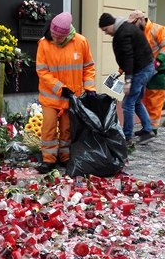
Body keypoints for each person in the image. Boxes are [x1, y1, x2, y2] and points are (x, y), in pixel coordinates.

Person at [36, 12, 96, 173]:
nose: (55, 39)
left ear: (67, 34)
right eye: (53, 35)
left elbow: (88, 67)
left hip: (71, 98)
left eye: (58, 37)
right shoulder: (44, 43)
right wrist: (60, 88)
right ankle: (48, 160)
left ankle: (65, 158)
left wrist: (90, 89)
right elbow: (42, 71)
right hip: (51, 97)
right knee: (48, 128)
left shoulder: (81, 42)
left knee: (66, 130)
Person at [98, 12, 155, 144]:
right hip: (145, 67)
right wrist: (121, 71)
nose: (106, 33)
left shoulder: (123, 33)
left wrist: (128, 80)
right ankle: (148, 130)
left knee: (127, 103)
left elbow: (129, 57)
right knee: (136, 101)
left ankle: (126, 136)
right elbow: (128, 55)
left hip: (141, 70)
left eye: (106, 30)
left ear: (111, 25)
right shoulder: (124, 29)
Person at [128, 10, 165, 135]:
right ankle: (146, 127)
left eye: (134, 23)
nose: (132, 26)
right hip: (144, 70)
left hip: (158, 70)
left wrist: (157, 62)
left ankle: (152, 129)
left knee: (154, 99)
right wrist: (122, 70)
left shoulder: (158, 30)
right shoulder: (136, 33)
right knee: (143, 99)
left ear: (141, 20)